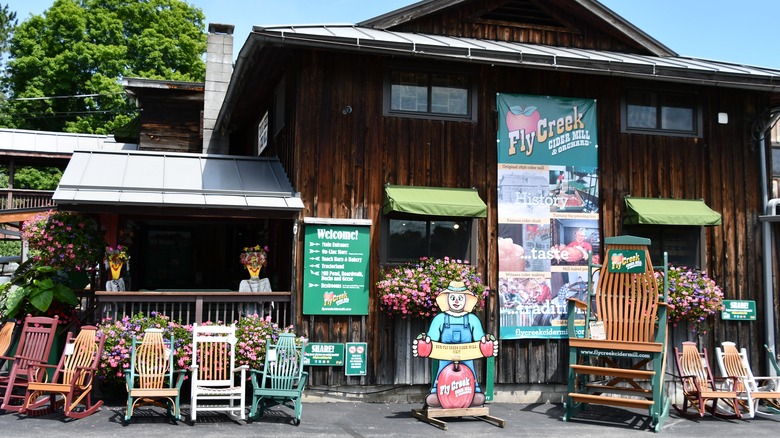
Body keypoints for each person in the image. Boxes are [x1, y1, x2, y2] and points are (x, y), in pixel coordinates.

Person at [413, 281, 498, 408]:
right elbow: (432, 338)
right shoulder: (440, 319)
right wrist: (424, 343)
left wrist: (487, 343)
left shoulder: (472, 319)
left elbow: (480, 339)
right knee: (442, 373)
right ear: (447, 300)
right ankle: (438, 393)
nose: (456, 301)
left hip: (466, 355)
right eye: (453, 298)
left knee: (469, 372)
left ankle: (473, 393)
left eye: (460, 298)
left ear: (466, 300)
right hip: (445, 356)